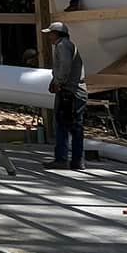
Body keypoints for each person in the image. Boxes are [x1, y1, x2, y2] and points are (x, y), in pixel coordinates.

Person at [44, 19, 86, 171]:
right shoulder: (69, 45)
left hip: (69, 92)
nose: (49, 37)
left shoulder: (62, 46)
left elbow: (65, 66)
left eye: (50, 34)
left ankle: (61, 159)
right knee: (76, 127)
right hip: (78, 92)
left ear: (56, 34)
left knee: (62, 125)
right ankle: (78, 161)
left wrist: (58, 82)